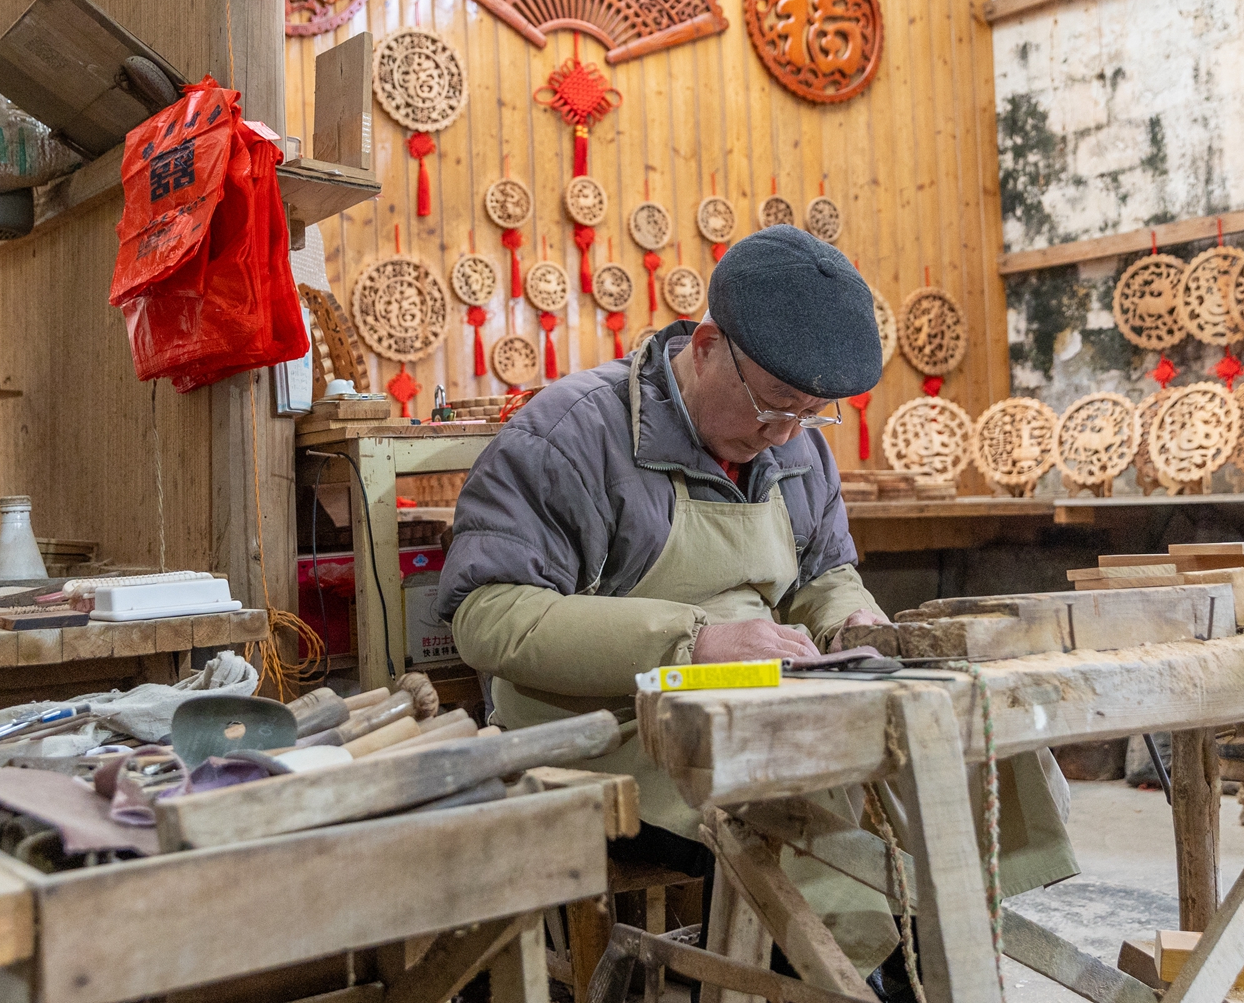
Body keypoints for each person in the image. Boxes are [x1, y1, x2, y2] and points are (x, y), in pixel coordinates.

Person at [437, 225, 1072, 977]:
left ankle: (930, 961)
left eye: (812, 413)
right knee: (824, 817)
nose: (785, 435)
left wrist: (851, 620)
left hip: (756, 707)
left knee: (959, 743)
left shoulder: (795, 440)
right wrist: (693, 641)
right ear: (706, 346)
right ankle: (860, 973)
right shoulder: (573, 433)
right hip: (608, 731)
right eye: (773, 406)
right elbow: (488, 614)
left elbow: (822, 574)